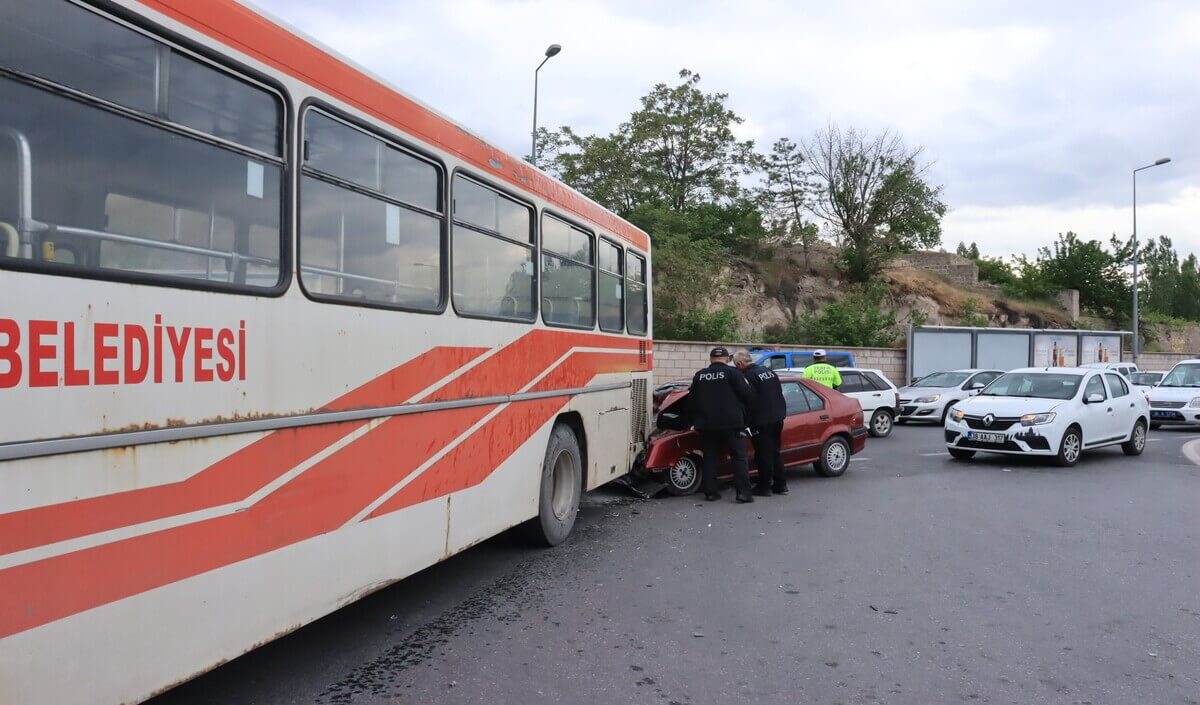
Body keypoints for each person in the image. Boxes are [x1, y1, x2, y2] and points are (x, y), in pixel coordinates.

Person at [689, 346, 756, 503]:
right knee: (739, 457)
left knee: (710, 458)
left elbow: (691, 402)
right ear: (727, 359)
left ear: (710, 360)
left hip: (707, 425)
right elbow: (748, 395)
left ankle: (711, 492)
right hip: (732, 423)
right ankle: (743, 493)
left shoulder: (700, 376)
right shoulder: (733, 373)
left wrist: (693, 421)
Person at [733, 350, 788, 496]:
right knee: (775, 452)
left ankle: (764, 487)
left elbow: (748, 400)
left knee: (763, 454)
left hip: (761, 421)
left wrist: (746, 421)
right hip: (777, 418)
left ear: (740, 363)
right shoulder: (767, 371)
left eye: (736, 365)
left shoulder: (747, 376)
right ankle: (780, 485)